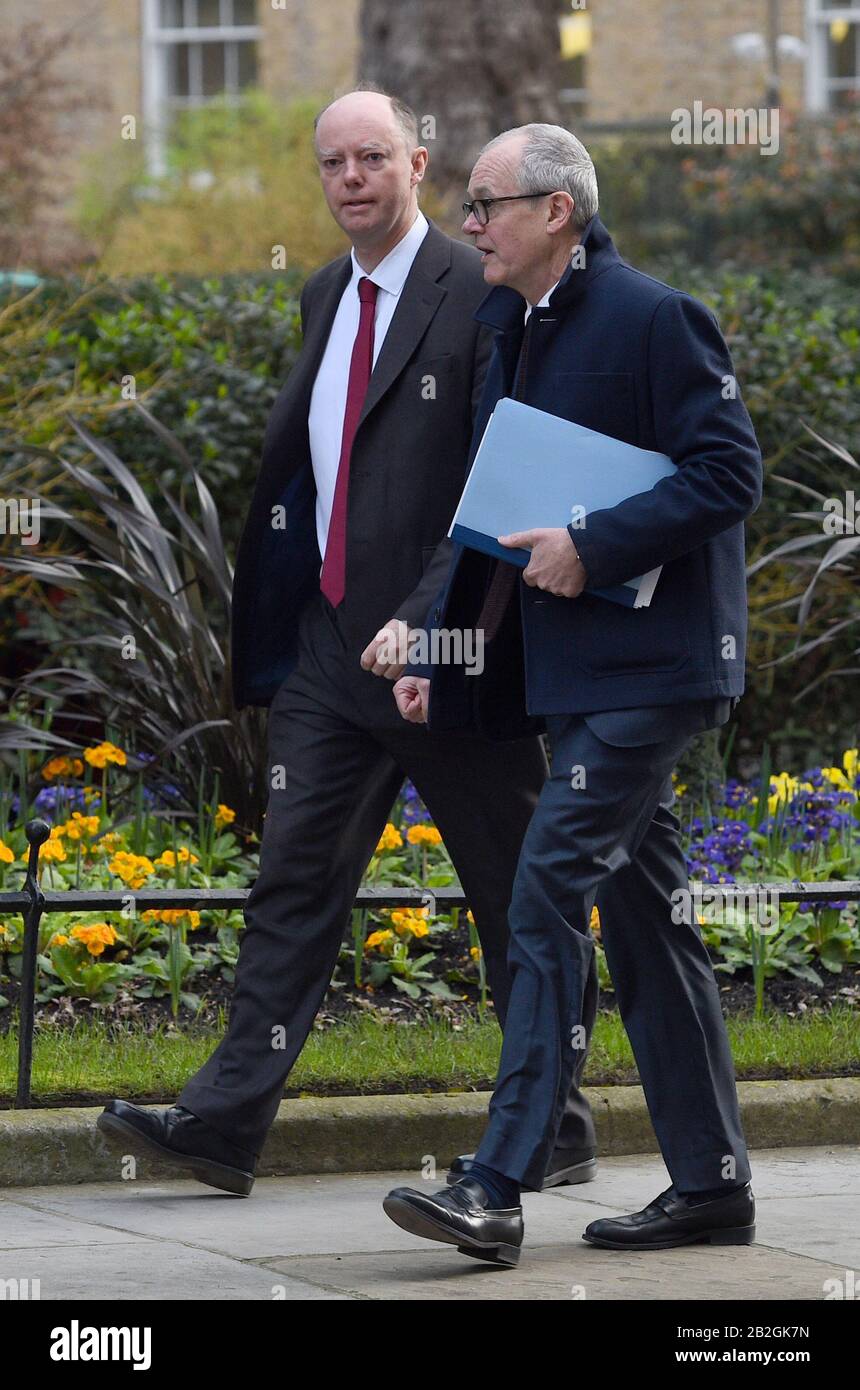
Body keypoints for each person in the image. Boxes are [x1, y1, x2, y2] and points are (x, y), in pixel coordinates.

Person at [96, 91, 598, 1197]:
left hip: (448, 649)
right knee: (292, 883)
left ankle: (554, 1122)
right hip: (330, 651)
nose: (351, 179)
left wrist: (425, 622)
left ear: (417, 162)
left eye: (372, 157)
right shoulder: (326, 290)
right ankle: (222, 1126)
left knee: (512, 890)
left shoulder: (478, 289)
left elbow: (491, 474)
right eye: (332, 163)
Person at [382, 122, 762, 1265]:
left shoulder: (653, 315)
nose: (469, 225)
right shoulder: (514, 327)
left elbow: (726, 470)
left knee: (545, 888)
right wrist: (432, 648)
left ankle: (497, 1179)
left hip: (654, 673)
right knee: (648, 921)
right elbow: (493, 509)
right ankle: (709, 1185)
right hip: (574, 675)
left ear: (557, 210)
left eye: (486, 203)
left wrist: (593, 545)